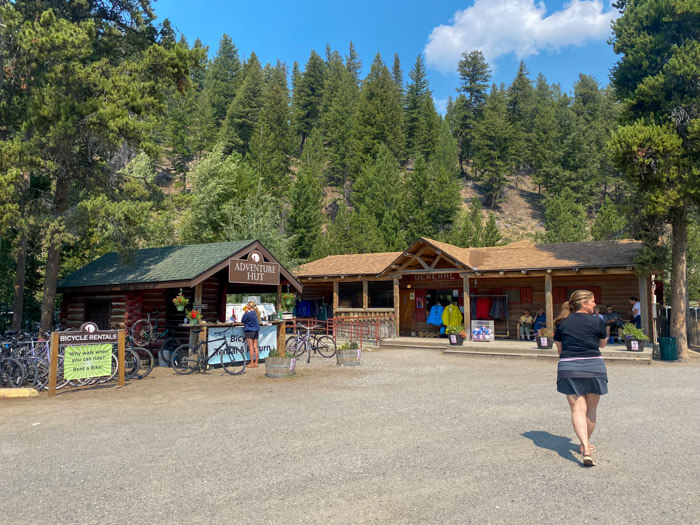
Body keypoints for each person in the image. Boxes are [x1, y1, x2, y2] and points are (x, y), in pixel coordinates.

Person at [553, 289, 608, 467]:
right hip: (594, 367)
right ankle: (585, 447)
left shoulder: (562, 323)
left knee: (577, 409)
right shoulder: (597, 321)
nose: (594, 304)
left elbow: (560, 351)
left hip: (569, 368)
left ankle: (584, 445)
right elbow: (602, 344)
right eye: (592, 301)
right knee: (591, 409)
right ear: (583, 303)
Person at [241, 300, 260, 368]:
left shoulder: (248, 314)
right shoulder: (255, 313)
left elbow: (243, 320)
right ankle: (256, 363)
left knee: (251, 348)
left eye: (247, 305)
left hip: (249, 330)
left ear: (249, 306)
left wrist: (245, 313)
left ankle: (251, 363)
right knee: (256, 347)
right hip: (256, 330)